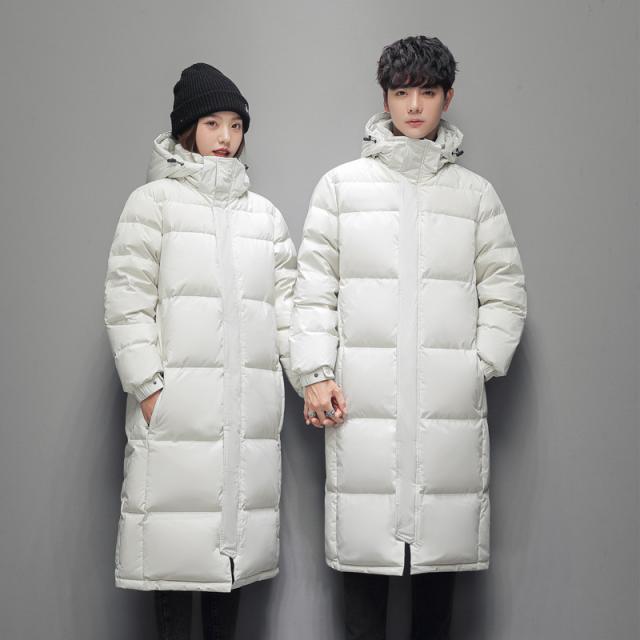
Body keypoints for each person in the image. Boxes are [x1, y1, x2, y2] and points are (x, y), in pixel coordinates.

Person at [290, 36, 527, 640]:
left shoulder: (474, 196)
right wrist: (315, 373)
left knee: (436, 595)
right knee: (363, 588)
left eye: (427, 92)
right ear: (385, 99)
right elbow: (312, 292)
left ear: (448, 97)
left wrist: (476, 366)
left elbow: (505, 289)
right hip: (361, 409)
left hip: (446, 415)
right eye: (402, 93)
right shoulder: (340, 189)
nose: (414, 106)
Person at [104, 62, 301, 640]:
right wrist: (151, 390)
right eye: (213, 123)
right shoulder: (152, 204)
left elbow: (288, 311)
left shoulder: (264, 218)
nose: (225, 137)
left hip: (245, 425)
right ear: (188, 127)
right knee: (173, 561)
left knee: (230, 568)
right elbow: (127, 301)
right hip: (177, 420)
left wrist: (312, 377)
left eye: (235, 125)